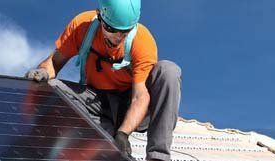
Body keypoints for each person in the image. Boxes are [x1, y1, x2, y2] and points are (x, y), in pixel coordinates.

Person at [24, 0, 181, 160]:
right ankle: (96, 137)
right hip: (96, 103)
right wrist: (43, 73)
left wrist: (123, 134)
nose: (117, 37)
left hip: (131, 106)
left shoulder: (142, 42)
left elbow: (140, 96)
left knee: (168, 71)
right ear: (101, 18)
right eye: (112, 30)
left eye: (124, 32)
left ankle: (157, 156)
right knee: (52, 86)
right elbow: (54, 62)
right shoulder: (82, 26)